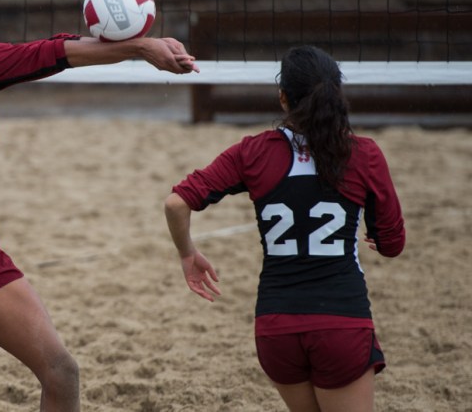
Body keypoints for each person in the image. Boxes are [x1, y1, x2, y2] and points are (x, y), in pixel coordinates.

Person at [0, 0, 198, 412]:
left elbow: (51, 51)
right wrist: (141, 46)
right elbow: (35, 56)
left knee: (61, 371)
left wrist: (144, 46)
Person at [164, 45, 405, 412]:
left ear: (283, 99)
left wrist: (187, 252)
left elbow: (176, 203)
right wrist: (377, 233)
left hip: (275, 328)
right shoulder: (363, 154)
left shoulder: (253, 152)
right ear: (336, 96)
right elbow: (392, 244)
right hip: (340, 322)